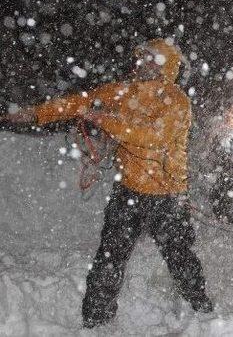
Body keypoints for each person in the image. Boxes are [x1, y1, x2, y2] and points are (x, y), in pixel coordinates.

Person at [1, 38, 213, 327]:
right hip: (129, 192)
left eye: (151, 59)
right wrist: (35, 113)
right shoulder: (124, 92)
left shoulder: (176, 101)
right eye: (142, 58)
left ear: (165, 66)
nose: (143, 63)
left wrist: (103, 119)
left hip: (168, 196)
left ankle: (202, 311)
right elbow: (78, 102)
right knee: (109, 258)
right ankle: (95, 320)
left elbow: (151, 136)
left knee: (179, 257)